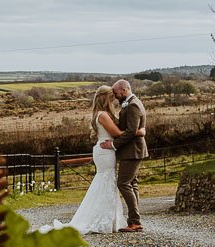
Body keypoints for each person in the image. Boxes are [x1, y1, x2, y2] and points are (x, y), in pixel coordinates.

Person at [47, 87, 141, 234]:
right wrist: (138, 131)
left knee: (107, 181)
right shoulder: (102, 115)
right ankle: (101, 219)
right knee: (106, 180)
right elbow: (117, 133)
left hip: (105, 150)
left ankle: (109, 219)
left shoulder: (102, 114)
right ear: (105, 99)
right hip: (105, 151)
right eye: (111, 98)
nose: (114, 100)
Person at [99, 79, 148, 231]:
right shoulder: (130, 102)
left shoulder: (133, 104)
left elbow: (130, 132)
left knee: (123, 183)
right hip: (132, 150)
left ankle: (135, 221)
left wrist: (113, 145)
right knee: (132, 184)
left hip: (132, 151)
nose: (114, 95)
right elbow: (132, 129)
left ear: (124, 89)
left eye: (116, 92)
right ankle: (135, 219)